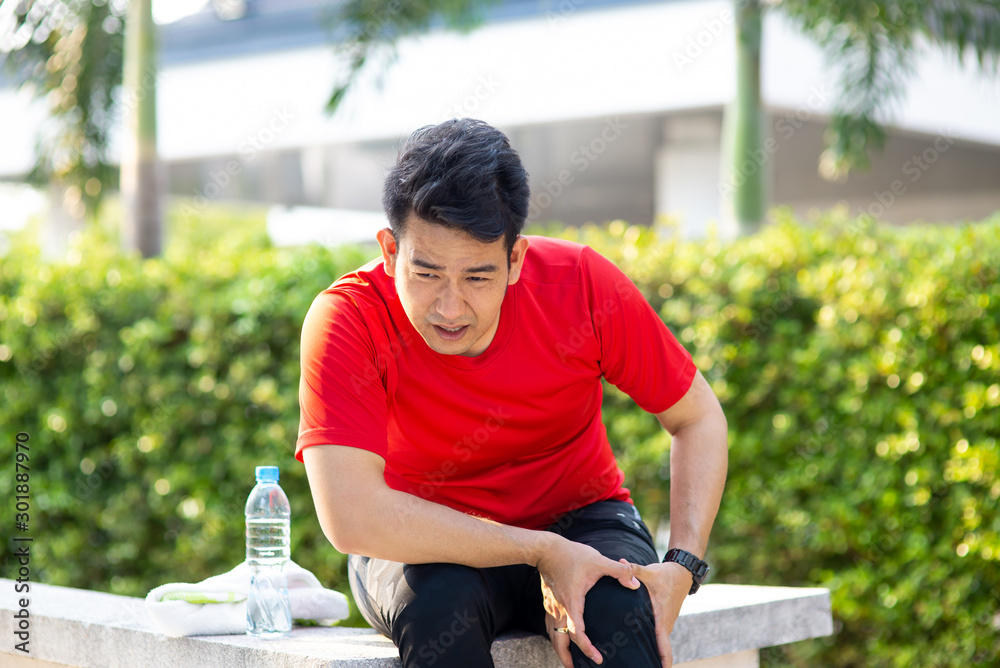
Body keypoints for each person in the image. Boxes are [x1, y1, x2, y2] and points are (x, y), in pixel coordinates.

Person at [296, 118, 728, 668]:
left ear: (515, 259)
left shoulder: (581, 284)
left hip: (580, 517)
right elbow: (352, 516)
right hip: (428, 541)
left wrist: (682, 565)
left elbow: (697, 417)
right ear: (388, 249)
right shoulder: (348, 319)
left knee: (618, 610)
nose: (450, 308)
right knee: (439, 609)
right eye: (426, 274)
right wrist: (540, 550)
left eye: (477, 278)